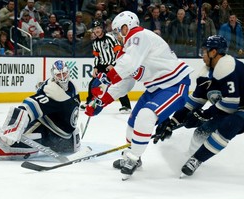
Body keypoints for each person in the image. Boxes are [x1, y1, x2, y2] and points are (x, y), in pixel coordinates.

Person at [84, 11, 194, 179]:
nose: (117, 35)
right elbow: (125, 83)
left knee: (145, 116)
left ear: (127, 26)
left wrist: (105, 80)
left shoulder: (139, 36)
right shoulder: (129, 49)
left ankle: (133, 158)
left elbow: (127, 65)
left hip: (174, 84)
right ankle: (133, 155)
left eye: (117, 30)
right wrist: (101, 101)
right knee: (133, 124)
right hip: (155, 88)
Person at [153, 35, 244, 177]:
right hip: (229, 110)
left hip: (239, 110)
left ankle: (197, 159)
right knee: (201, 132)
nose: (202, 55)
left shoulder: (227, 66)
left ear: (214, 52)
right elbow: (192, 104)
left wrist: (204, 114)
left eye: (204, 51)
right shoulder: (204, 74)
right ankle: (191, 155)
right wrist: (172, 122)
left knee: (230, 124)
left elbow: (231, 104)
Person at [0, 60, 81, 162]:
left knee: (34, 142)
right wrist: (13, 127)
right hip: (48, 131)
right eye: (59, 74)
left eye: (64, 73)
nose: (63, 77)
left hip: (65, 140)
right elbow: (28, 106)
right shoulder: (52, 93)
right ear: (53, 75)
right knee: (19, 143)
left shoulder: (72, 88)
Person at [80, 20, 132, 114]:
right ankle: (89, 102)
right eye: (95, 28)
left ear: (102, 29)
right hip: (102, 66)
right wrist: (95, 67)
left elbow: (118, 51)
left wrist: (113, 64)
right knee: (93, 83)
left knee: (117, 84)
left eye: (99, 28)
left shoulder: (110, 38)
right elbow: (96, 56)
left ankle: (126, 106)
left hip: (112, 65)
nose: (97, 30)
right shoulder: (95, 42)